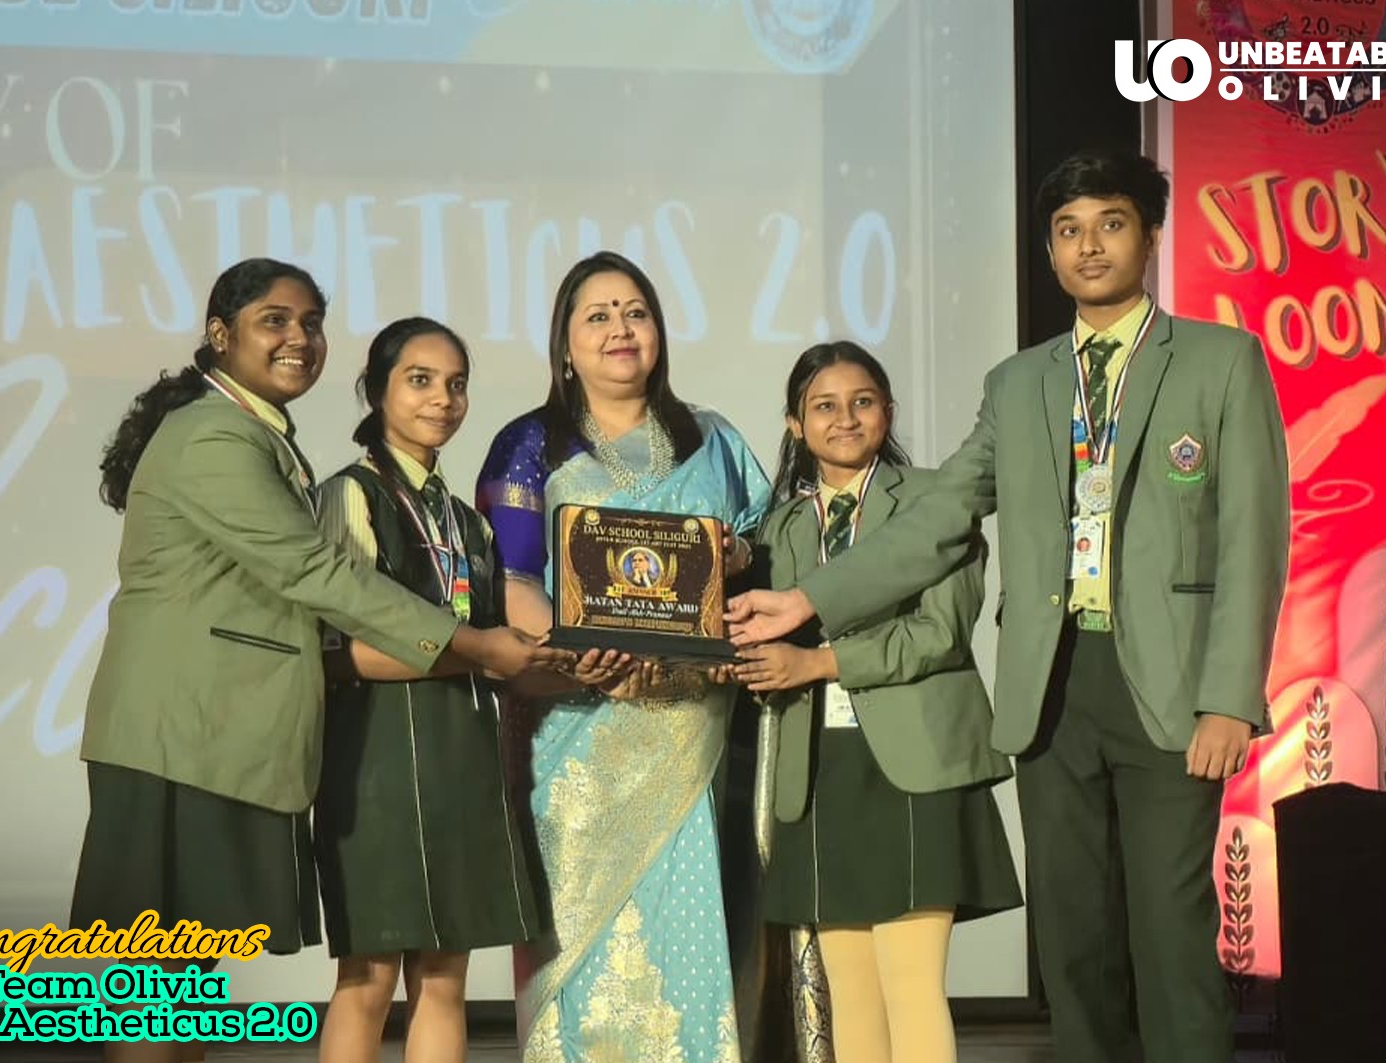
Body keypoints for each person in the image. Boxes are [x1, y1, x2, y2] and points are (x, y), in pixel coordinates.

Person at [726, 151, 1290, 1063]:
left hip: (1175, 688)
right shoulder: (1018, 383)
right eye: (1068, 230)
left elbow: (1254, 539)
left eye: (1110, 223)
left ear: (1150, 235)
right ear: (1050, 250)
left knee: (1171, 930)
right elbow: (939, 516)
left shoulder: (1221, 361)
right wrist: (805, 596)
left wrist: (1229, 697)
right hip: (1049, 689)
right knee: (1074, 939)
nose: (1088, 245)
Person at [71, 259, 566, 1063]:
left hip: (214, 736)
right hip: (176, 733)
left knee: (184, 973)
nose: (299, 337)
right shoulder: (214, 433)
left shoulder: (258, 433)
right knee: (156, 976)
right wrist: (476, 645)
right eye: (274, 320)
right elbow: (315, 573)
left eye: (311, 323)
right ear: (220, 334)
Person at [476, 250, 772, 1062]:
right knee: (579, 938)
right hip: (579, 719)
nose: (620, 328)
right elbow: (511, 579)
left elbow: (764, 550)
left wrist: (736, 555)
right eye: (598, 315)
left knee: (691, 927)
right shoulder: (531, 443)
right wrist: (579, 655)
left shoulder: (713, 439)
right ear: (566, 344)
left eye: (635, 311)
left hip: (690, 727)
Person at [737, 341, 1021, 1063]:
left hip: (915, 763)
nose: (845, 419)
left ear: (888, 412)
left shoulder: (933, 501)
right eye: (823, 406)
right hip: (817, 770)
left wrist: (816, 662)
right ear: (795, 424)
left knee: (911, 984)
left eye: (862, 402)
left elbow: (940, 635)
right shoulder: (779, 526)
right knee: (850, 992)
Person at [312, 317, 549, 1063]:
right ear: (376, 389)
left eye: (456, 384)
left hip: (462, 761)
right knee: (368, 978)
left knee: (445, 978)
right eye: (420, 380)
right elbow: (338, 653)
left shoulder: (468, 521)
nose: (442, 399)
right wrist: (479, 656)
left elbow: (498, 645)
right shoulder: (349, 496)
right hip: (374, 766)